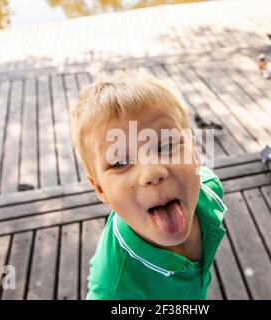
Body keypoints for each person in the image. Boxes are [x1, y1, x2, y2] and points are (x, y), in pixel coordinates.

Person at [69, 72, 227, 299]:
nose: (152, 172)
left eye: (167, 145)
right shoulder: (113, 286)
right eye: (120, 162)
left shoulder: (211, 191)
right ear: (100, 189)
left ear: (194, 151)